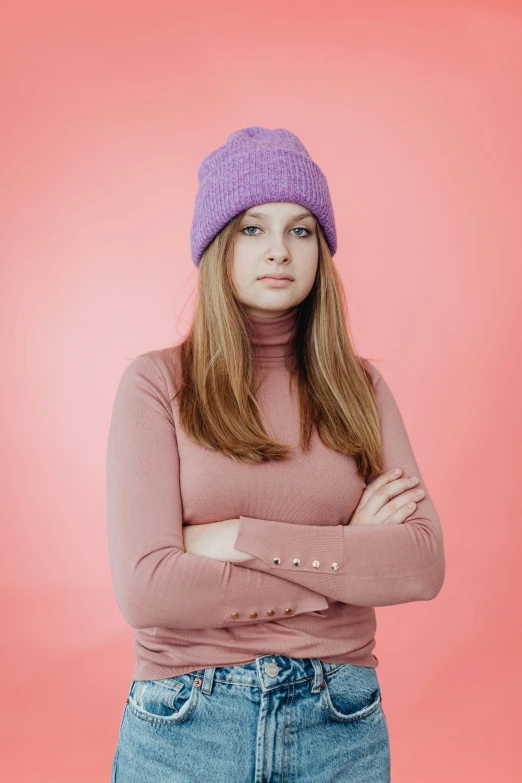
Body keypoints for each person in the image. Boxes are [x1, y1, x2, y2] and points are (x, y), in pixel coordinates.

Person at [107, 126, 445, 782]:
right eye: (253, 229)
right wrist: (345, 557)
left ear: (322, 249)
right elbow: (149, 590)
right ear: (217, 245)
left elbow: (421, 562)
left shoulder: (361, 388)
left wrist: (237, 536)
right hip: (186, 722)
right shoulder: (155, 383)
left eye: (301, 230)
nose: (278, 252)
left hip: (338, 722)